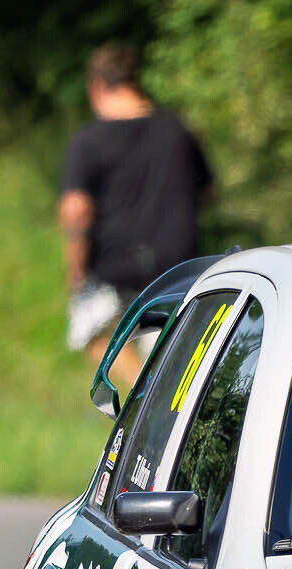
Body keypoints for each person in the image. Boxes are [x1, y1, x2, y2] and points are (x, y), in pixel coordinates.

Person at [59, 43, 214, 393]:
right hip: (181, 267)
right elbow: (207, 192)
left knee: (92, 333)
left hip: (116, 272)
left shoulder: (89, 142)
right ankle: (164, 396)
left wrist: (76, 270)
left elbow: (76, 208)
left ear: (96, 87)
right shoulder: (176, 130)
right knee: (172, 353)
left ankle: (148, 399)